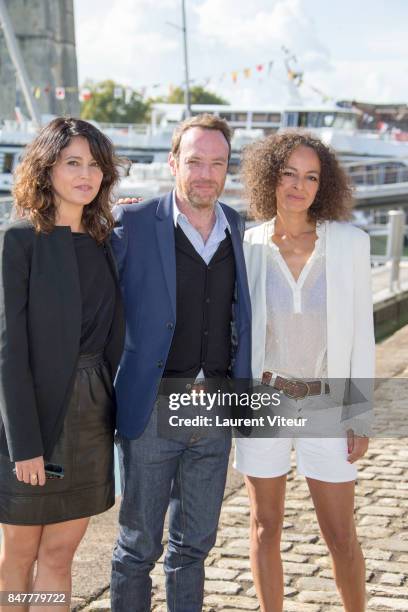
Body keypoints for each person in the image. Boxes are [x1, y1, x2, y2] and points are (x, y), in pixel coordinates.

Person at [110, 113, 252, 612]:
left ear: (228, 169)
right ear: (173, 163)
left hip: (214, 410)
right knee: (137, 548)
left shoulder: (236, 225)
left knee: (194, 546)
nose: (205, 174)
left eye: (217, 163)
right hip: (151, 409)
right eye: (194, 161)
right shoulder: (129, 223)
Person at [234, 131, 375, 612]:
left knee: (340, 535)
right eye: (289, 173)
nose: (299, 185)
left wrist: (360, 415)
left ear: (324, 184)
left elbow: (361, 333)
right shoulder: (246, 244)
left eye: (311, 176)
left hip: (327, 404)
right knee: (263, 525)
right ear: (269, 177)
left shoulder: (350, 244)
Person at [0, 117, 125, 611]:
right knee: (18, 555)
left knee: (60, 553)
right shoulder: (19, 240)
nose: (86, 174)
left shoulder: (104, 241)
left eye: (95, 165)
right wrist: (24, 445)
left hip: (92, 416)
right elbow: (8, 352)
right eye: (73, 162)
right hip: (32, 419)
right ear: (46, 167)